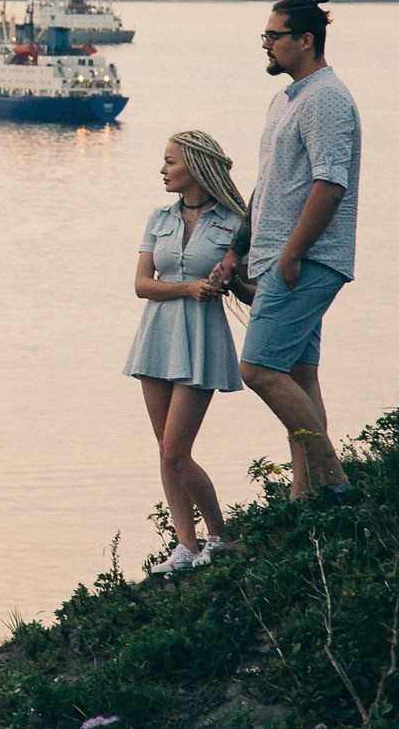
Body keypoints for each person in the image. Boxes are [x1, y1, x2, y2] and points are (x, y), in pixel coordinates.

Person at [234, 0, 361, 502]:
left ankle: (335, 483)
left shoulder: (326, 98)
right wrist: (237, 250)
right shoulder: (288, 97)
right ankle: (303, 499)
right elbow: (265, 188)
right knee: (299, 377)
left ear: (305, 40)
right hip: (278, 259)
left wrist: (289, 255)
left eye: (273, 35)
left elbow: (329, 183)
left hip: (305, 261)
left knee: (259, 368)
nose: (265, 44)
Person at [124, 130, 250, 574]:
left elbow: (254, 291)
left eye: (170, 161)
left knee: (177, 449)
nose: (163, 169)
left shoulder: (235, 224)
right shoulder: (158, 218)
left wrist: (230, 280)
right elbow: (142, 285)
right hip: (156, 337)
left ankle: (219, 537)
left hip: (202, 340)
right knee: (164, 449)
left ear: (194, 167)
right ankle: (186, 546)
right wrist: (189, 287)